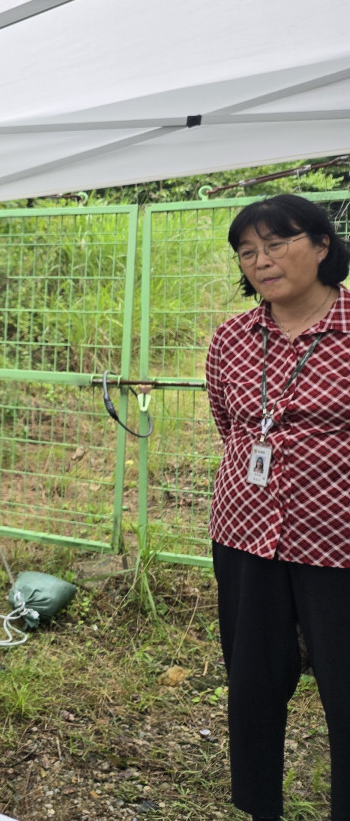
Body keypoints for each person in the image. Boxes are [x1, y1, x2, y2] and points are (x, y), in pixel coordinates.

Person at [207, 194, 350, 821]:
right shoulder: (232, 339)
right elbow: (229, 424)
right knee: (254, 684)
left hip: (339, 542)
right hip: (244, 535)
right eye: (247, 252)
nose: (261, 260)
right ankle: (258, 805)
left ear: (322, 245)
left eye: (276, 243)